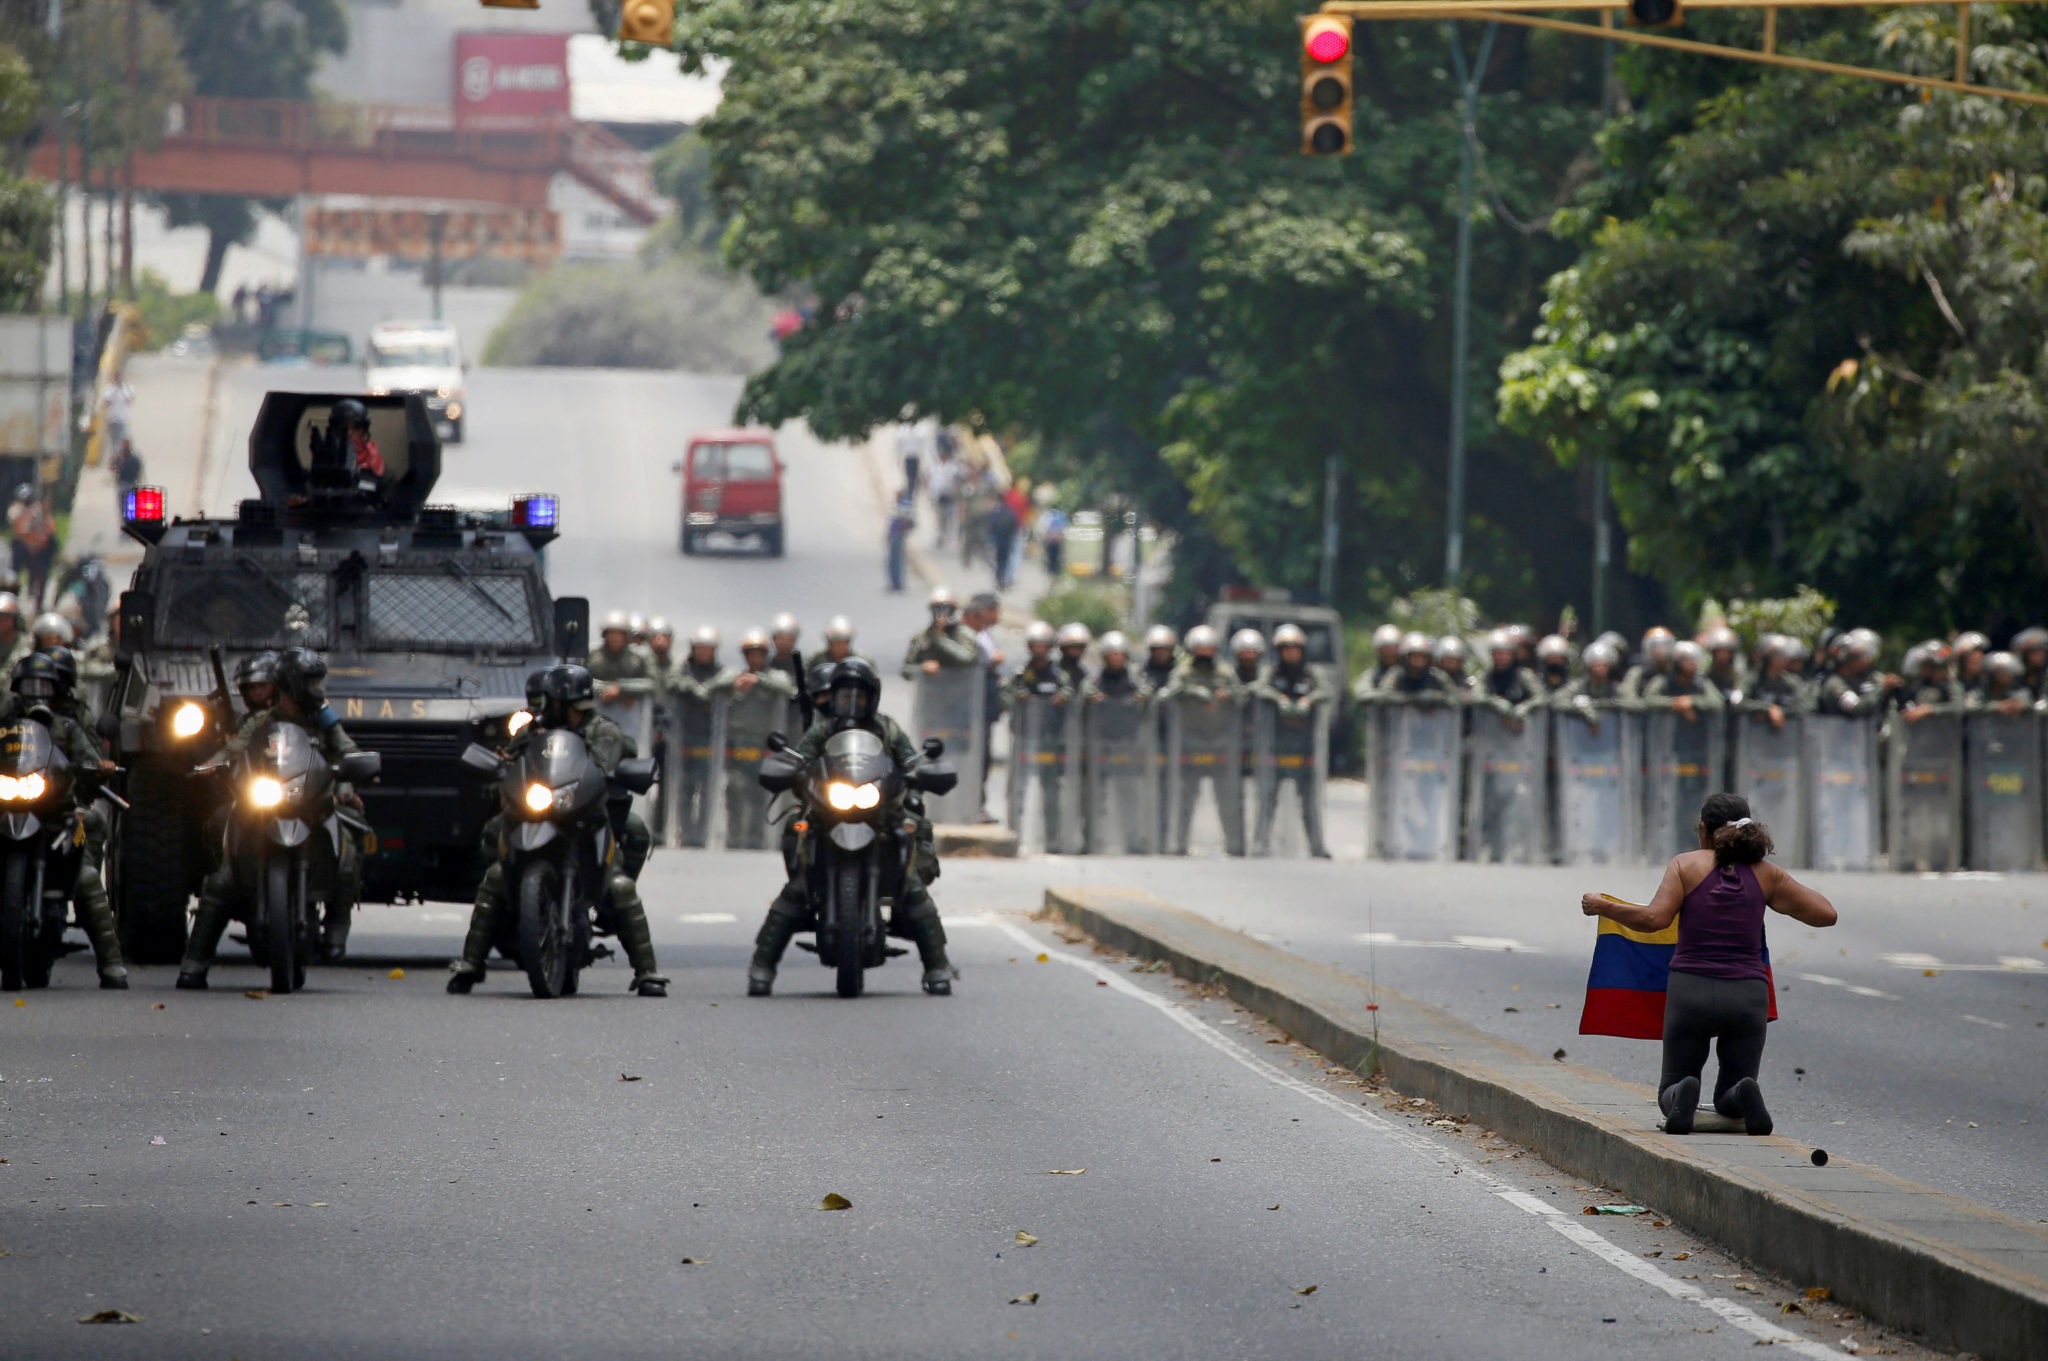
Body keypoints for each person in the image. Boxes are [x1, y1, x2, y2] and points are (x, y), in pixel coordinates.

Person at [1581, 792, 1837, 1136]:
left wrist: (1603, 905)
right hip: (1748, 995)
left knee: (1671, 1086)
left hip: (1691, 990)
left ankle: (1682, 1092)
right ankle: (1742, 1092)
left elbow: (1654, 919)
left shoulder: (1685, 865)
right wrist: (1770, 886)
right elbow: (1826, 915)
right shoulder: (1767, 874)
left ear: (1703, 829)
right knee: (1731, 1094)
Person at [448, 665, 668, 997]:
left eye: (548, 701)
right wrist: (502, 764)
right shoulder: (534, 729)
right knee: (495, 877)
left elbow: (604, 765)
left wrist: (610, 775)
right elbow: (511, 759)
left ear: (563, 702)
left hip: (586, 817)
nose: (542, 707)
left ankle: (647, 971)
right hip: (538, 814)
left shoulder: (604, 731)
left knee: (619, 886)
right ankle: (471, 963)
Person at [747, 659, 953, 996]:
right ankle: (762, 969)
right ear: (835, 697)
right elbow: (801, 758)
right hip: (829, 813)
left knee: (912, 883)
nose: (853, 702)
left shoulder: (887, 728)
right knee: (797, 886)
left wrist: (920, 772)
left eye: (860, 696)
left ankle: (937, 967)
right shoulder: (823, 730)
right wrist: (791, 769)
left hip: (881, 813)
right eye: (846, 696)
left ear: (872, 698)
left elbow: (909, 759)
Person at [177, 650, 366, 987]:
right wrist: (213, 765)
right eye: (310, 682)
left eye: (317, 682)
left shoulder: (323, 716)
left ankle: (337, 929)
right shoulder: (262, 720)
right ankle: (195, 963)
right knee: (221, 879)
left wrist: (345, 785)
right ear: (290, 684)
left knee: (349, 849)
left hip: (312, 802)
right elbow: (237, 749)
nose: (316, 689)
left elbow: (347, 750)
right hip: (265, 802)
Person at [0, 652, 126, 986]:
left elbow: (89, 756)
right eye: (29, 685)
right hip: (10, 806)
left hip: (62, 815)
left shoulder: (68, 726)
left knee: (86, 877)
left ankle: (111, 966)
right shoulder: (5, 723)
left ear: (56, 690)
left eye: (43, 686)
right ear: (17, 689)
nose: (36, 692)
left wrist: (99, 768)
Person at [1159, 625, 1246, 856]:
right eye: (1200, 649)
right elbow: (1170, 692)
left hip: (1220, 744)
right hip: (1191, 743)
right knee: (1186, 798)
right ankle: (1179, 843)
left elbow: (1241, 696)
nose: (1205, 653)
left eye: (1209, 649)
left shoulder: (1225, 672)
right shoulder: (1183, 672)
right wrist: (1193, 691)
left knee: (1227, 799)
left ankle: (1234, 844)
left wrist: (1228, 694)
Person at [1252, 623, 1331, 858]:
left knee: (1309, 802)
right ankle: (1261, 843)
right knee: (1268, 799)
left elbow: (1326, 691)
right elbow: (1259, 688)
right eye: (1286, 649)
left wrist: (1309, 699)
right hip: (1276, 747)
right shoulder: (1272, 672)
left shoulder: (1311, 673)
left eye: (1295, 648)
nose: (1291, 653)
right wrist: (1279, 699)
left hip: (1305, 748)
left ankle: (1316, 846)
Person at [715, 629, 798, 849]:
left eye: (759, 654)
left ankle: (756, 837)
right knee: (734, 790)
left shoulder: (775, 677)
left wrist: (759, 680)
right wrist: (735, 683)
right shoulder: (736, 677)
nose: (754, 658)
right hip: (738, 746)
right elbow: (715, 684)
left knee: (760, 794)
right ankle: (734, 836)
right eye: (750, 654)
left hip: (764, 747)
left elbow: (788, 688)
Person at [668, 626, 730, 847]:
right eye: (700, 648)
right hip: (684, 741)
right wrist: (694, 689)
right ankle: (685, 833)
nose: (704, 652)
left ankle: (702, 834)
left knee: (707, 791)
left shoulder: (720, 672)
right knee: (684, 790)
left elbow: (730, 679)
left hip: (709, 741)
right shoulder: (683, 670)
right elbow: (671, 681)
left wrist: (708, 689)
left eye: (708, 648)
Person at [1641, 641, 1726, 718]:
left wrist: (1691, 701)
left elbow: (1717, 701)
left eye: (1694, 659)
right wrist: (1675, 703)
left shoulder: (1701, 681)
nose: (1693, 663)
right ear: (1677, 662)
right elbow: (1649, 699)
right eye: (1687, 660)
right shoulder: (1663, 680)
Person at [8, 489, 55, 607]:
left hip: (38, 548)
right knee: (15, 572)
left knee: (38, 574)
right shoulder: (16, 509)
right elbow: (16, 523)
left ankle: (37, 601)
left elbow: (48, 529)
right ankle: (12, 596)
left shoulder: (38, 510)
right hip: (22, 545)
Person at [1621, 626, 1676, 699]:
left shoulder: (1679, 671)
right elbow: (1627, 697)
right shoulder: (1637, 673)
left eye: (1665, 645)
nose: (1660, 650)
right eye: (1655, 646)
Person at [1356, 623, 1404, 701]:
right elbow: (1362, 694)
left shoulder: (1410, 674)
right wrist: (1384, 695)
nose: (1390, 653)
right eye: (1386, 649)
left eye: (1393, 649)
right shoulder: (1371, 674)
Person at [98, 373, 134, 457]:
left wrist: (122, 390)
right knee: (114, 439)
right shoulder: (110, 388)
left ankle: (122, 454)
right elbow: (106, 401)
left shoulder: (127, 388)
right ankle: (116, 454)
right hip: (112, 418)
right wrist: (114, 391)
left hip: (123, 418)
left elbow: (130, 399)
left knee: (123, 437)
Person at [887, 490, 914, 592]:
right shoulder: (898, 505)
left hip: (898, 535)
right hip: (895, 534)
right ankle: (894, 583)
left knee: (896, 560)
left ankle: (897, 584)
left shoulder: (904, 505)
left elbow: (907, 520)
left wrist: (901, 531)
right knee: (893, 560)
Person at [1140, 625, 1180, 693]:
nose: (1162, 653)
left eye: (1166, 650)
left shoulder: (1179, 671)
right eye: (1159, 650)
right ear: (1152, 651)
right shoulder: (1142, 671)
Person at [1055, 621, 1092, 692]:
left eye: (1080, 648)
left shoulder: (1083, 673)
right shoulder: (1054, 671)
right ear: (1063, 648)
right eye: (1073, 647)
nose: (1076, 651)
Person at [113, 440, 144, 517]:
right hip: (125, 484)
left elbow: (138, 471)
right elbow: (113, 468)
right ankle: (127, 520)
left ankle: (127, 520)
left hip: (129, 484)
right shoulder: (121, 458)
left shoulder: (132, 459)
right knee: (127, 508)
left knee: (128, 508)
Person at [1039, 504, 1069, 578]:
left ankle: (1053, 572)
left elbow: (1044, 529)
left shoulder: (1047, 515)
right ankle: (1053, 572)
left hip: (1052, 540)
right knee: (1053, 557)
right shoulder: (1060, 515)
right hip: (1054, 540)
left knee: (1053, 557)